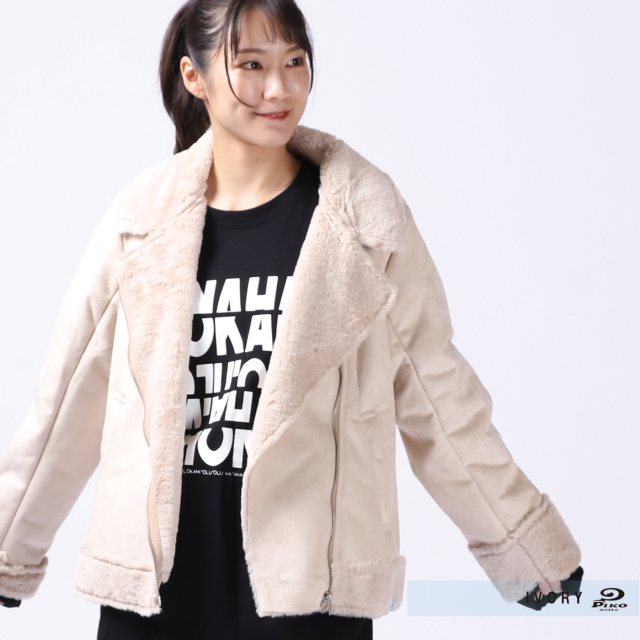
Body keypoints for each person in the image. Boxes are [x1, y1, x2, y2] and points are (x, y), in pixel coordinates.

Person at [0, 0, 582, 636]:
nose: (279, 89)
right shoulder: (142, 220)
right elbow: (63, 403)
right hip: (154, 599)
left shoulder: (362, 221)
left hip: (310, 598)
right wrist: (8, 548)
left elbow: (440, 397)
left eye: (295, 62)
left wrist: (525, 547)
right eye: (251, 65)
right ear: (195, 77)